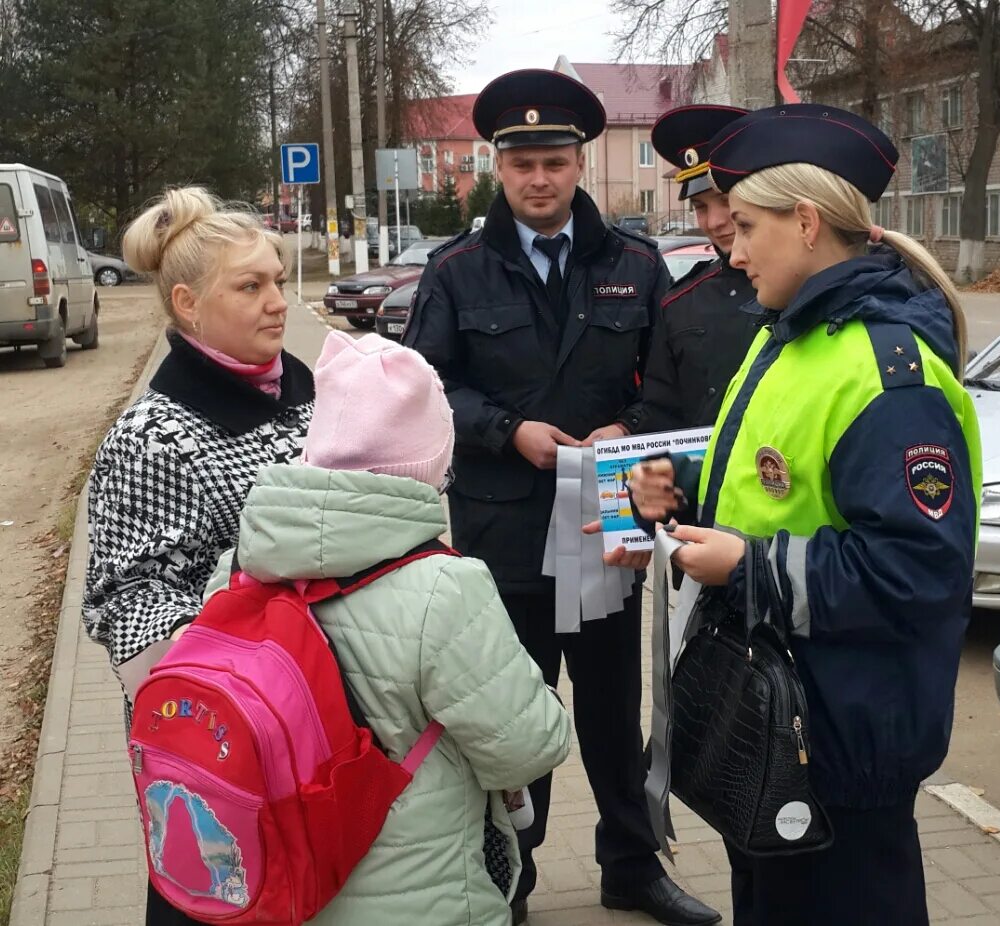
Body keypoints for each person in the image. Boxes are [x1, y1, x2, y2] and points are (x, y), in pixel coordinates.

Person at [629, 104, 982, 925]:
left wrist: (745, 566)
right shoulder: (789, 333)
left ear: (807, 222)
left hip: (839, 741)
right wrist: (676, 490)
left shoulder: (887, 374)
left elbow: (917, 572)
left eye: (747, 225)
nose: (733, 246)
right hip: (777, 727)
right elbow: (774, 481)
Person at [405, 68, 719, 926]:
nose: (538, 180)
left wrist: (630, 425)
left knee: (615, 715)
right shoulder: (458, 271)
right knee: (514, 717)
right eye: (521, 165)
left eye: (553, 161)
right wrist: (509, 431)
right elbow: (426, 387)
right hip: (503, 535)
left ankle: (632, 867)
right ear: (495, 169)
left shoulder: (635, 264)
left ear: (579, 162)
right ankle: (512, 877)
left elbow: (672, 383)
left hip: (611, 521)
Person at [203, 331, 572, 926]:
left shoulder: (241, 568)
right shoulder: (446, 587)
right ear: (430, 464)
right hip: (422, 894)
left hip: (284, 881)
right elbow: (525, 748)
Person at [82, 186, 315, 925]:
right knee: (217, 900)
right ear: (187, 304)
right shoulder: (156, 436)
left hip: (315, 716)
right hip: (219, 739)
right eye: (251, 286)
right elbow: (128, 605)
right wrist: (264, 666)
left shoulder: (304, 394)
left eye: (277, 278)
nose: (277, 300)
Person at [635, 104, 761, 434]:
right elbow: (660, 416)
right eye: (700, 207)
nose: (715, 222)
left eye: (725, 199)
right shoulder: (680, 304)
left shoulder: (808, 288)